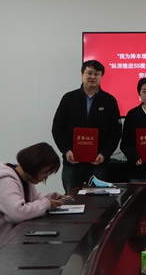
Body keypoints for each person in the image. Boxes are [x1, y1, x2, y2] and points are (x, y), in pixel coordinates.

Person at [0, 142, 67, 251]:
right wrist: (46, 203)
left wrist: (51, 198)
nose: (46, 177)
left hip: (4, 240)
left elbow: (36, 198)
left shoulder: (24, 178)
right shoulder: (6, 183)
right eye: (45, 173)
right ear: (35, 166)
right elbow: (17, 214)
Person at [52, 59, 122, 191]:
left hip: (98, 163)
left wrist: (104, 154)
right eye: (89, 73)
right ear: (82, 74)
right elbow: (57, 128)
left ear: (101, 77)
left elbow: (115, 132)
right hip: (72, 163)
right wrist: (66, 150)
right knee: (71, 198)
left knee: (98, 200)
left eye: (97, 74)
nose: (92, 77)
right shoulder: (68, 98)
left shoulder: (109, 101)